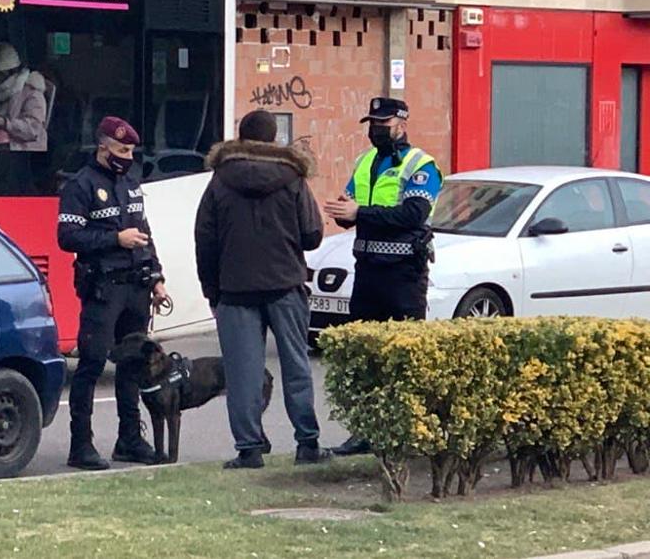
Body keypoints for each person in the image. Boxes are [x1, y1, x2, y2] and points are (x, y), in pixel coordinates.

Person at [195, 110, 332, 470]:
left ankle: (249, 449)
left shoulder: (220, 180)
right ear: (274, 139)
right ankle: (307, 442)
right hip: (285, 285)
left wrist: (213, 290)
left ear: (240, 138)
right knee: (296, 365)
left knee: (243, 372)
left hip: (235, 289)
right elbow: (313, 235)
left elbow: (204, 239)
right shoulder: (293, 178)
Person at [322, 97, 443, 457]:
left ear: (402, 124)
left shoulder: (421, 165)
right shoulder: (365, 162)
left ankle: (407, 433)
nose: (376, 129)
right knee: (365, 359)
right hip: (368, 273)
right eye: (372, 123)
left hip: (404, 277)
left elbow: (412, 213)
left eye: (383, 123)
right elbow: (355, 210)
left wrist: (361, 212)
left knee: (404, 359)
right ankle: (364, 432)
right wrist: (345, 212)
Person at [58, 116, 169, 470]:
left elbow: (144, 232)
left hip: (137, 286)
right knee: (91, 365)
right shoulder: (81, 185)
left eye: (132, 150)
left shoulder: (131, 181)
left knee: (133, 367)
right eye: (122, 149)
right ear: (103, 147)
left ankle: (130, 440)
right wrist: (113, 239)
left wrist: (156, 277)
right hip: (104, 288)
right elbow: (67, 238)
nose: (128, 156)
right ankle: (81, 445)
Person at [0, 42, 49, 152]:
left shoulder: (32, 92)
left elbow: (34, 130)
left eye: (0, 75)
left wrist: (4, 123)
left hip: (24, 155)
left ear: (13, 72)